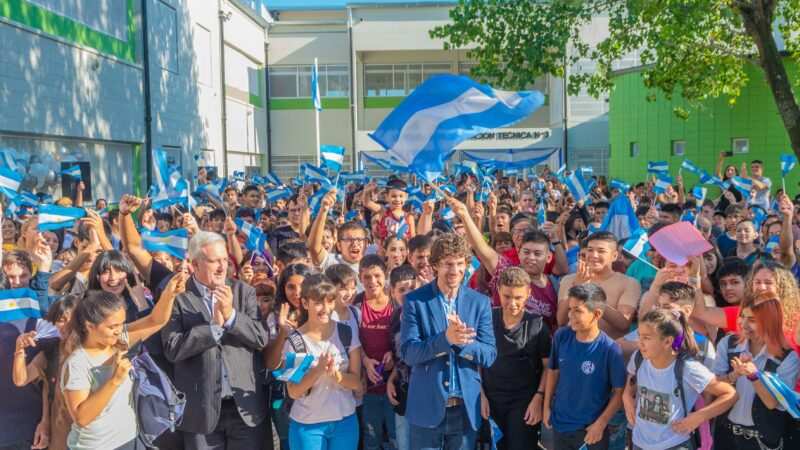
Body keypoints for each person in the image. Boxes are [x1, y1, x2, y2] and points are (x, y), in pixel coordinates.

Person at [161, 231, 269, 450]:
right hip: (201, 413)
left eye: (224, 260)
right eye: (213, 261)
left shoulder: (243, 291)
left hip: (244, 408)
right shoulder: (177, 297)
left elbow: (261, 337)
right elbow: (173, 349)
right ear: (194, 264)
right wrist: (211, 330)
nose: (222, 267)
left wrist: (231, 317)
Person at [61, 273, 187, 450]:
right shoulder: (77, 362)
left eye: (121, 324)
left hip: (132, 439)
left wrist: (169, 294)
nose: (118, 331)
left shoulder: (120, 340)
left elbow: (155, 321)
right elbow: (82, 418)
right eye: (112, 327)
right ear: (90, 326)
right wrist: (115, 380)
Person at [400, 233, 497, 450]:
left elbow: (490, 355)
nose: (454, 270)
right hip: (426, 407)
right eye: (447, 264)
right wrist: (445, 340)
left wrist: (462, 342)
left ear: (467, 264)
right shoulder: (415, 301)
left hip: (464, 410)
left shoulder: (479, 302)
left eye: (460, 263)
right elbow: (408, 353)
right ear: (435, 265)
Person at [622, 309, 736, 450]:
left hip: (675, 444)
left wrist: (699, 416)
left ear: (667, 341)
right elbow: (631, 380)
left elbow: (730, 394)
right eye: (639, 336)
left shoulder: (688, 368)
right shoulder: (638, 358)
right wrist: (626, 396)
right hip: (639, 442)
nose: (640, 343)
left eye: (646, 338)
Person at [283, 274, 363, 450]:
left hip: (345, 422)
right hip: (307, 426)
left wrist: (337, 376)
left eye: (330, 301)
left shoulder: (346, 332)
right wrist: (318, 370)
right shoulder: (295, 342)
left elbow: (357, 382)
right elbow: (293, 391)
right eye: (318, 302)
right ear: (305, 303)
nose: (325, 308)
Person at [712, 293, 800, 450]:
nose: (743, 324)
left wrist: (754, 376)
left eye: (752, 320)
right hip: (725, 435)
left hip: (762, 442)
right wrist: (733, 375)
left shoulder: (787, 357)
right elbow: (713, 386)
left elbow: (773, 403)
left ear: (770, 322)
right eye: (742, 316)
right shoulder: (728, 344)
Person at [543, 283, 625, 450]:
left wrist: (600, 424)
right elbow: (553, 371)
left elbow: (619, 393)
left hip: (590, 430)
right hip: (560, 424)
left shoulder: (610, 349)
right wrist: (546, 407)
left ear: (596, 314)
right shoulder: (562, 336)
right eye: (570, 309)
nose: (571, 315)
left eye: (578, 311)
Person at [480, 267, 551, 450]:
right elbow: (476, 361)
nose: (512, 303)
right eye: (507, 296)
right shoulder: (486, 319)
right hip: (491, 400)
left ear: (528, 294)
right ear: (498, 291)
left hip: (524, 402)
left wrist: (539, 398)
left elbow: (548, 367)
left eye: (518, 297)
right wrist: (480, 395)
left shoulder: (537, 325)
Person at [12, 296, 78, 450]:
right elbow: (21, 380)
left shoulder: (92, 353)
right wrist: (19, 349)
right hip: (59, 437)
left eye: (73, 319)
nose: (67, 325)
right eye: (61, 319)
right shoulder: (49, 355)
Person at [557, 232, 641, 340]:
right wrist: (576, 287)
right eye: (590, 250)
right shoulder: (568, 280)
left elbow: (623, 323)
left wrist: (591, 295)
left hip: (608, 350)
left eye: (601, 251)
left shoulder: (629, 283)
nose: (594, 255)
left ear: (614, 256)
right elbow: (561, 321)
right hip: (572, 346)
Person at [357, 255, 396, 450]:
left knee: (396, 438)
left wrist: (394, 356)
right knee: (371, 437)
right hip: (368, 387)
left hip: (394, 385)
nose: (373, 282)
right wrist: (364, 360)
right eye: (367, 277)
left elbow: (405, 338)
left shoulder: (396, 304)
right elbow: (350, 341)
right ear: (359, 277)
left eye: (377, 275)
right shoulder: (356, 305)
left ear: (386, 275)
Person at [386, 264, 419, 450]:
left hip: (423, 393)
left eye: (412, 288)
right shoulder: (394, 317)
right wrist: (392, 378)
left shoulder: (427, 315)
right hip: (403, 391)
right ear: (392, 292)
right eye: (402, 289)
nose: (407, 293)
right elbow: (399, 357)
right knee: (403, 443)